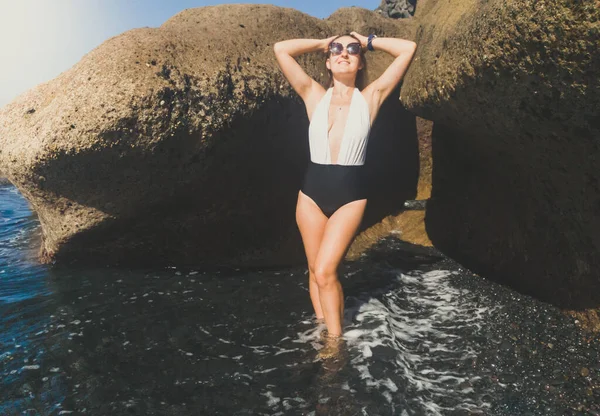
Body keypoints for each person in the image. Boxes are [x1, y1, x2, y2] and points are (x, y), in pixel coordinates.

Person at [273, 32, 417, 339]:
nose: (344, 53)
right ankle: (324, 327)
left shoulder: (371, 97)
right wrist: (321, 42)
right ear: (327, 61)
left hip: (350, 196)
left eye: (351, 50)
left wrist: (368, 40)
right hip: (310, 194)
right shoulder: (313, 94)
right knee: (315, 271)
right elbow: (281, 49)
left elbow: (408, 49)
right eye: (337, 49)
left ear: (361, 60)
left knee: (326, 271)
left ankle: (334, 348)